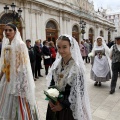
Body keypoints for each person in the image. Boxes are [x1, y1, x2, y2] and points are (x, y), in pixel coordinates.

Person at [46, 35, 92, 120]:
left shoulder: (77, 68)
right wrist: (50, 98)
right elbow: (52, 82)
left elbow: (80, 92)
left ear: (71, 47)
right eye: (59, 47)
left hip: (68, 107)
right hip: (55, 103)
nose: (61, 50)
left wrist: (62, 105)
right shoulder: (56, 65)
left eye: (64, 47)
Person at [0, 24, 40, 119]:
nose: (7, 32)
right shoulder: (6, 45)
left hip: (18, 78)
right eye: (6, 30)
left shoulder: (20, 45)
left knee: (18, 100)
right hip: (7, 78)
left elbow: (24, 66)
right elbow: (5, 64)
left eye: (10, 30)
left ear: (15, 31)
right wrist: (1, 75)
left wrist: (23, 82)